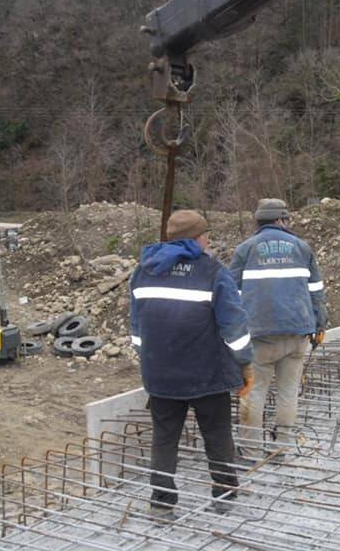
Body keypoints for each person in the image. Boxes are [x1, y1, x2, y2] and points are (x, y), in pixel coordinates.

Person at [129, 210, 254, 515]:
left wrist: (150, 361)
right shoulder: (212, 271)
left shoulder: (143, 271)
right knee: (217, 434)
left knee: (164, 439)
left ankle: (161, 503)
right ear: (196, 239)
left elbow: (137, 328)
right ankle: (224, 497)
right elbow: (234, 326)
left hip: (160, 376)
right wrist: (244, 363)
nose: (209, 239)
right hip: (206, 375)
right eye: (206, 234)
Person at [230, 198, 328, 458]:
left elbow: (231, 297)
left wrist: (232, 336)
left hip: (260, 337)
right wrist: (320, 326)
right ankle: (281, 446)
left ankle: (250, 450)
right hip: (298, 333)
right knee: (288, 391)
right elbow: (316, 292)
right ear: (281, 220)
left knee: (255, 391)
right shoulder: (302, 248)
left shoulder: (245, 250)